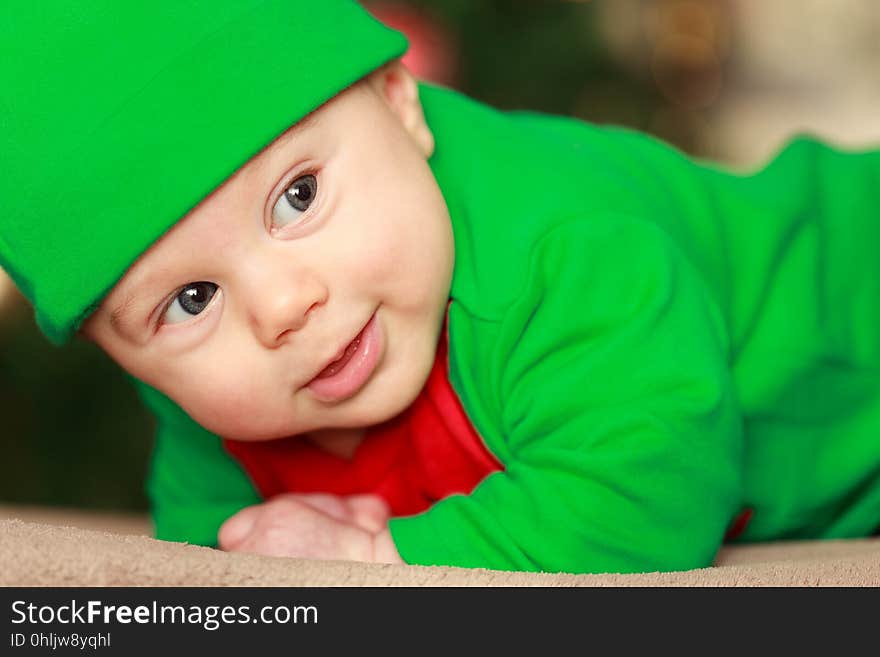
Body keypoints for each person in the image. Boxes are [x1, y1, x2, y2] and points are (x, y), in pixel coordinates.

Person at [3, 0, 880, 575]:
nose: (281, 308)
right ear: (118, 350)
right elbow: (215, 553)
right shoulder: (215, 396)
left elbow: (651, 487)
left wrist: (392, 555)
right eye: (191, 298)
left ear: (400, 103)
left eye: (298, 196)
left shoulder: (560, 251)